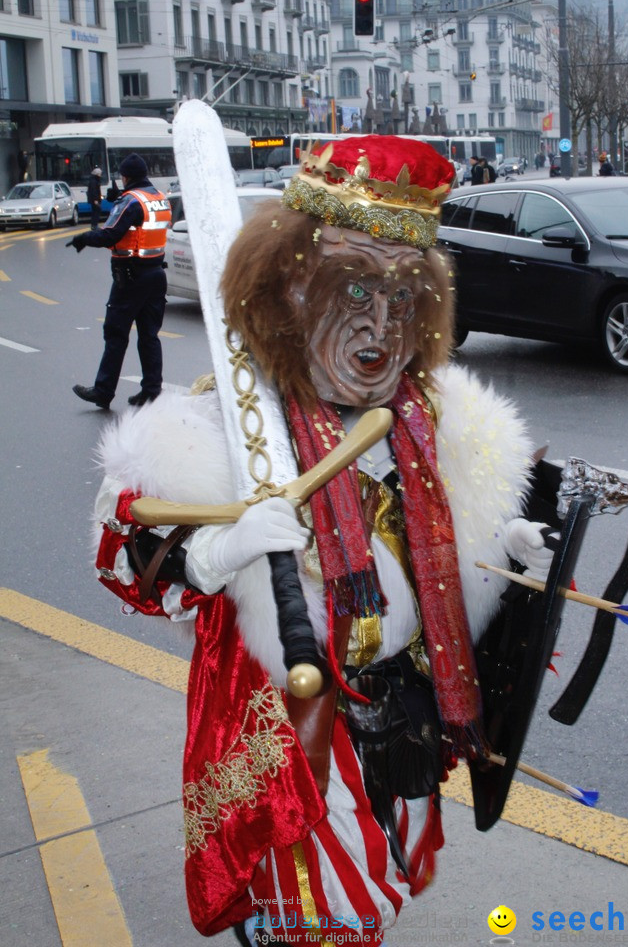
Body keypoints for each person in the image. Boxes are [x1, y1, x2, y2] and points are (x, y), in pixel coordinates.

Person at [92, 136, 554, 944]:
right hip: (295, 734)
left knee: (366, 912)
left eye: (405, 304)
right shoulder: (217, 428)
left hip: (400, 718)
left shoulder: (429, 422)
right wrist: (220, 552)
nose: (384, 330)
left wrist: (504, 545)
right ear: (290, 298)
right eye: (357, 300)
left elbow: (434, 544)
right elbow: (132, 556)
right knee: (315, 926)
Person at [68, 152, 170, 410]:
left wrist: (84, 238)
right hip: (156, 275)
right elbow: (140, 223)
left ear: (125, 177)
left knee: (115, 333)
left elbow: (110, 234)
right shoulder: (158, 198)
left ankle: (103, 391)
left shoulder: (130, 200)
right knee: (149, 336)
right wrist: (118, 202)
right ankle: (151, 391)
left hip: (131, 277)